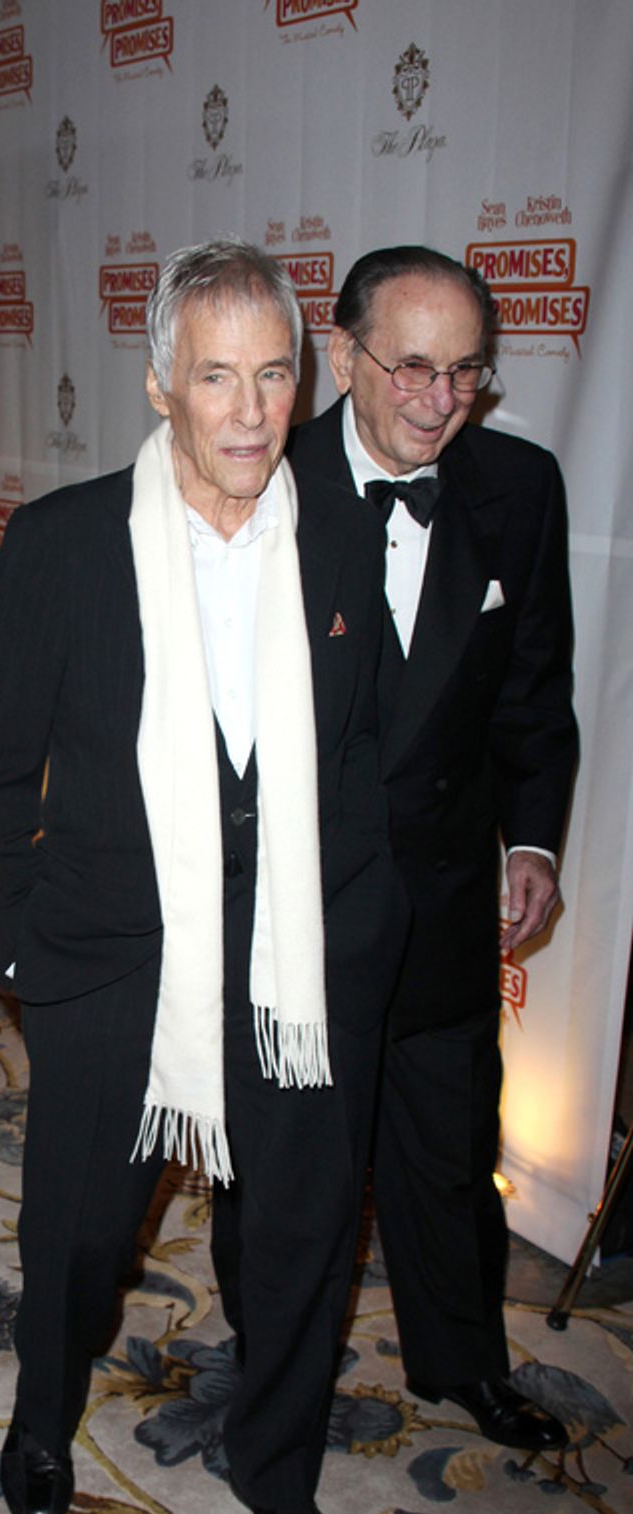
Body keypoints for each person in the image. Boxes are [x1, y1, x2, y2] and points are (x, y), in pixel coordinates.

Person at [0, 238, 408, 1514]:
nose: (252, 410)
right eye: (218, 376)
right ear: (161, 384)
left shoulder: (339, 535)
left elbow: (372, 755)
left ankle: (276, 1475)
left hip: (294, 967)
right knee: (80, 1233)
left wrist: (362, 937)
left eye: (276, 373)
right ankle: (44, 1415)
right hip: (108, 959)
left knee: (296, 1240)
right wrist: (26, 950)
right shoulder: (64, 543)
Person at [289, 245, 578, 1453]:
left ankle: (462, 1361)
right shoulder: (261, 478)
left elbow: (534, 691)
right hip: (300, 901)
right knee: (291, 1165)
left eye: (466, 371)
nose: (438, 398)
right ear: (345, 353)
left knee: (451, 1145)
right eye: (411, 365)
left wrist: (537, 843)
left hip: (453, 882)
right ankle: (278, 1374)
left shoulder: (518, 487)